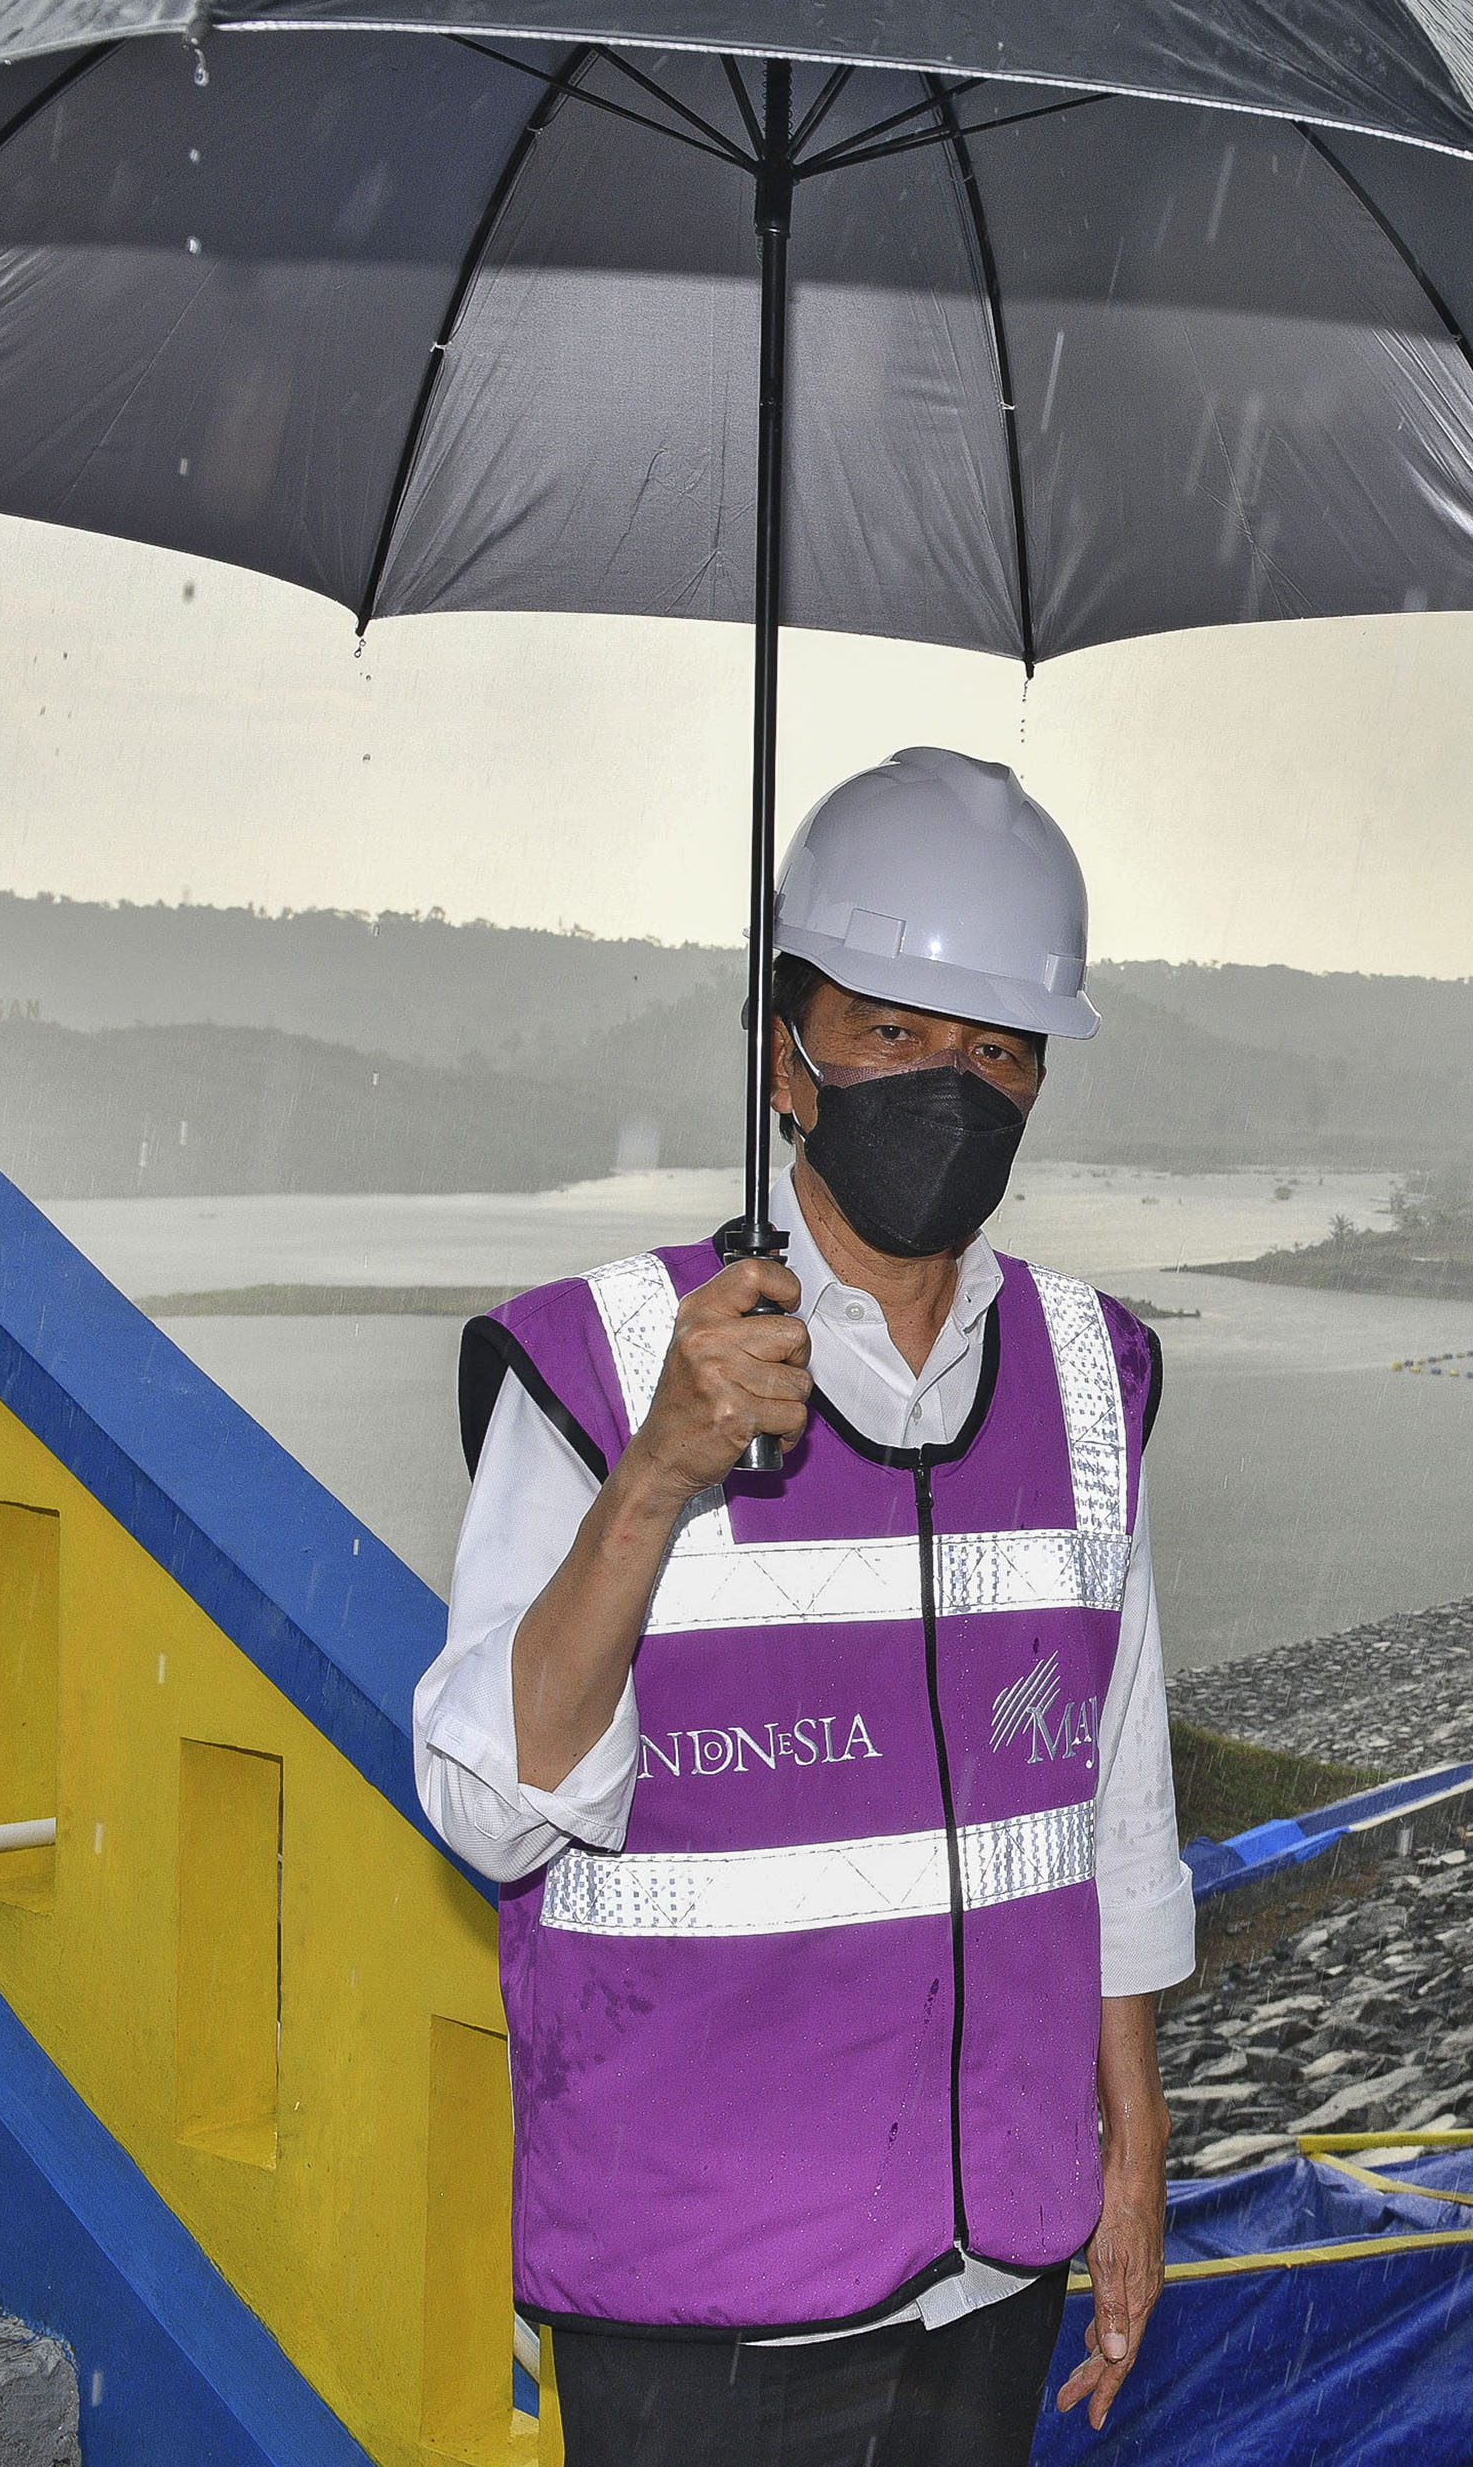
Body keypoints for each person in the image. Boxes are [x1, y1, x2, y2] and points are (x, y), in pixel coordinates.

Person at [413, 748, 1190, 2467]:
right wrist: (658, 1471)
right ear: (786, 1055)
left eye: (995, 1048)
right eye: (894, 1031)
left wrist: (1131, 2144)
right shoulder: (614, 1360)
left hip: (994, 2254)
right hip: (705, 2281)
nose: (949, 1083)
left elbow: (1111, 1799)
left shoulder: (1084, 1372)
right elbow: (492, 1800)